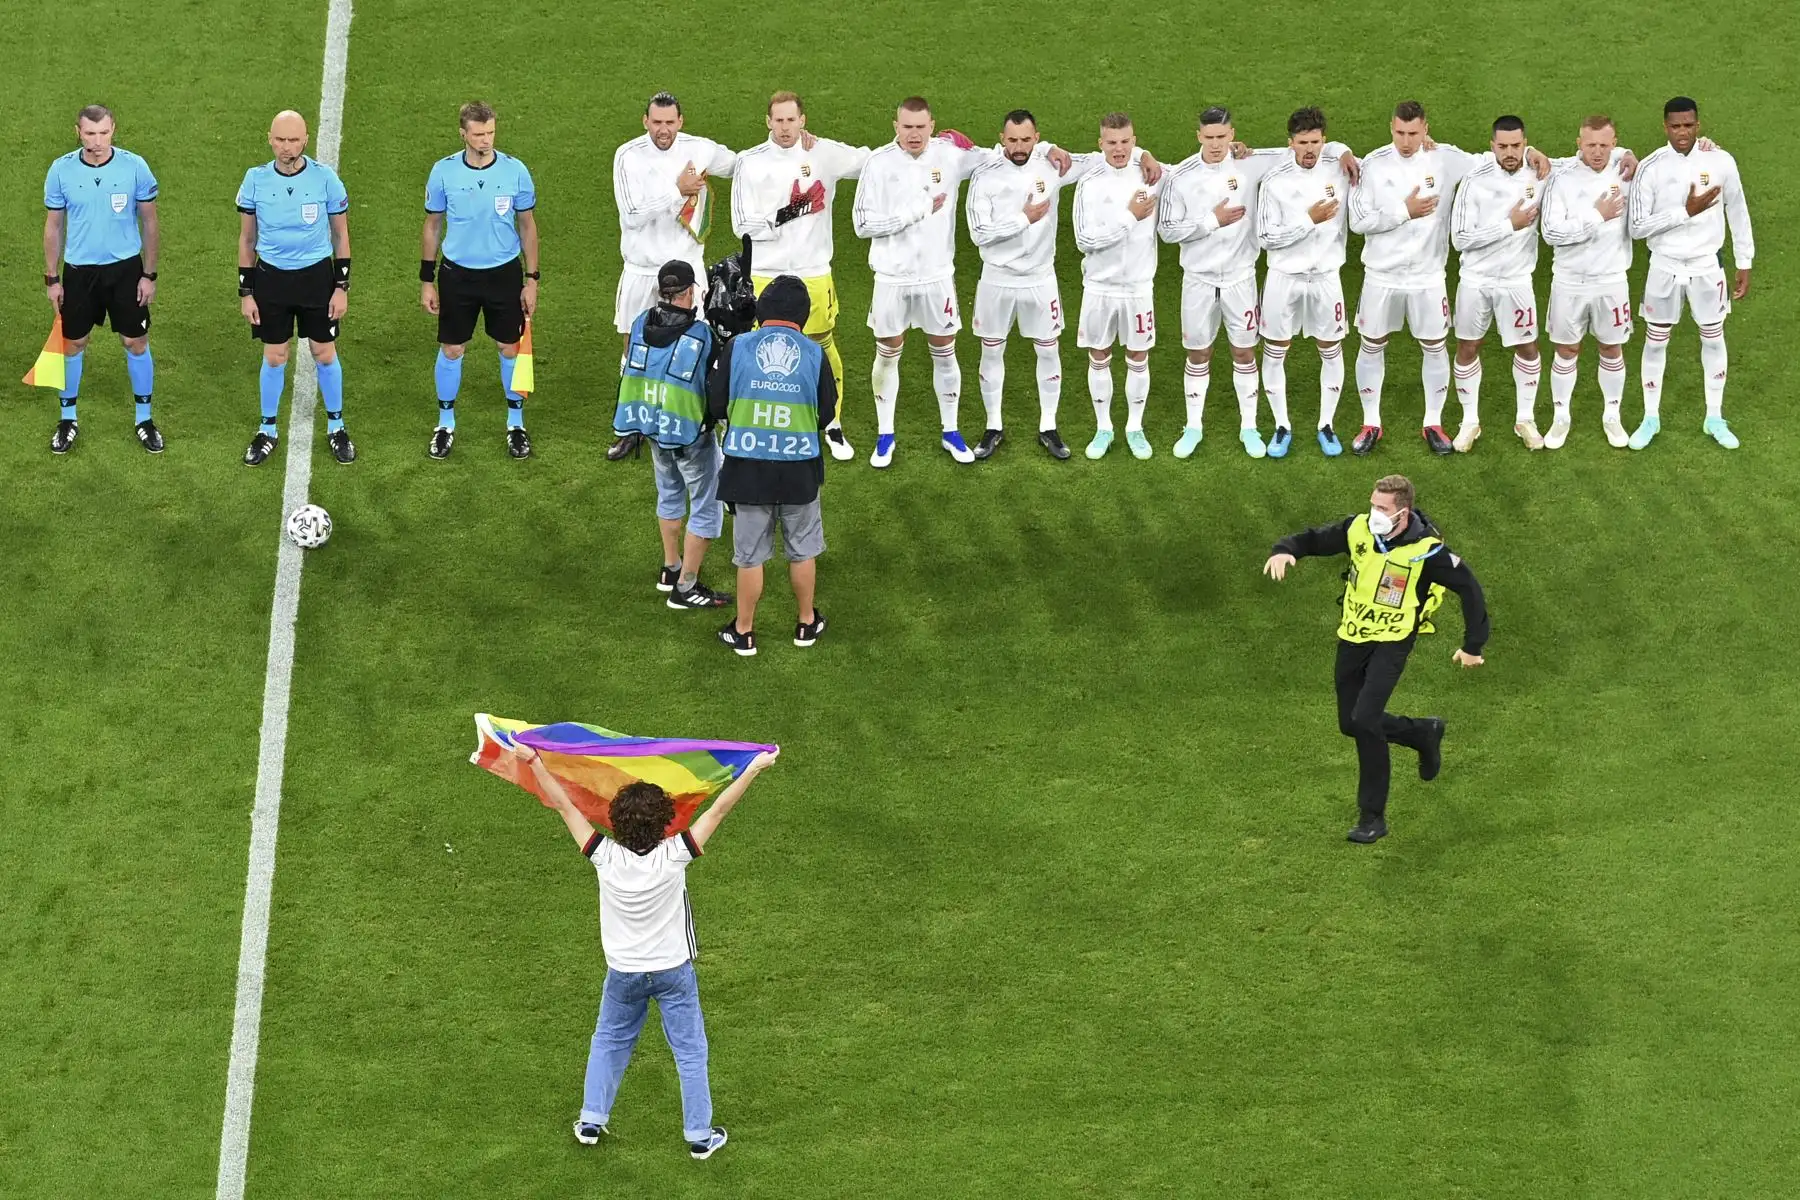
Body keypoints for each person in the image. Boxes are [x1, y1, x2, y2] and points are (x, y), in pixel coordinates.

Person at [509, 738, 779, 1160]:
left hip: (623, 974)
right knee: (690, 1053)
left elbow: (564, 805)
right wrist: (755, 769)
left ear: (615, 821)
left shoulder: (603, 856)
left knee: (608, 1042)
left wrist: (535, 762)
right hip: (674, 972)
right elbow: (720, 809)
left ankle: (591, 1122)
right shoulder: (676, 854)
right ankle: (699, 1136)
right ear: (664, 822)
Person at [1262, 474, 1488, 843]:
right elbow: (1316, 538)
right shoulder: (1359, 530)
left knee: (1365, 720)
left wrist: (1473, 645)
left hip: (1393, 641)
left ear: (1403, 514)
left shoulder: (1426, 552)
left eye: (1382, 509)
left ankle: (1372, 817)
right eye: (1372, 505)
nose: (1374, 514)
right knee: (1349, 723)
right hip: (1352, 636)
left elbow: (1470, 589)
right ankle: (1421, 733)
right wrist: (1285, 549)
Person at [851, 96, 1071, 467]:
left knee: (945, 350)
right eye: (907, 127)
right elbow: (861, 224)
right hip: (892, 277)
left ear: (932, 126)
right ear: (896, 126)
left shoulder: (952, 155)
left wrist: (1046, 147)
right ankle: (885, 435)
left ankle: (951, 432)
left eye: (921, 127)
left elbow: (1005, 154)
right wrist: (915, 212)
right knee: (888, 351)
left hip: (937, 276)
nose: (914, 134)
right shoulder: (878, 163)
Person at [1349, 100, 1549, 456]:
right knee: (1372, 342)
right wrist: (1403, 211)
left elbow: (1496, 159)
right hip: (1381, 274)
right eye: (1399, 133)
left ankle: (1433, 422)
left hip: (1428, 275)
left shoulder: (1446, 158)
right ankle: (1371, 423)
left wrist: (1531, 151)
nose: (1406, 141)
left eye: (1413, 133)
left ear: (1426, 129)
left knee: (1435, 345)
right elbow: (1358, 221)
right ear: (1390, 128)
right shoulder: (1374, 164)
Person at [1158, 106, 1353, 458]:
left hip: (1241, 278)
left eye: (1223, 136)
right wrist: (1210, 221)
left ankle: (1250, 427)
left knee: (1245, 352)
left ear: (1233, 135)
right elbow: (1167, 230)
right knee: (1198, 352)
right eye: (1210, 137)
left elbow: (1311, 149)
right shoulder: (1181, 175)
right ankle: (1193, 427)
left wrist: (1342, 150)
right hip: (1198, 280)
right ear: (1198, 135)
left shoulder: (1253, 162)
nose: (1217, 144)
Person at [967, 109, 1156, 459]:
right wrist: (1023, 219)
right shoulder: (985, 174)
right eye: (1013, 140)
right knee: (991, 349)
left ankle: (1048, 427)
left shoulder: (1053, 165)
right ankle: (993, 426)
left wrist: (1144, 153)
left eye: (1027, 139)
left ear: (1037, 137)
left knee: (1048, 349)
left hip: (1040, 278)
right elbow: (978, 233)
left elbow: (1109, 155)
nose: (1019, 146)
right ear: (1001, 139)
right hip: (997, 278)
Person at [730, 91, 867, 461]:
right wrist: (791, 211)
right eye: (778, 120)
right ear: (768, 122)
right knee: (758, 351)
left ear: (803, 120)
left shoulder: (823, 152)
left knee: (822, 342)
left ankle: (832, 424)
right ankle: (755, 422)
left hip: (812, 270)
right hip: (764, 272)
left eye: (792, 120)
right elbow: (741, 224)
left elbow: (873, 162)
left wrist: (937, 148)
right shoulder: (749, 162)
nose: (785, 127)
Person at [706, 276, 836, 656]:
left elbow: (715, 405)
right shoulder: (814, 354)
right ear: (803, 315)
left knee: (749, 556)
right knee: (802, 550)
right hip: (799, 469)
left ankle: (744, 631)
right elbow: (826, 414)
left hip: (746, 468)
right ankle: (805, 622)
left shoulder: (738, 347)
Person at [610, 92, 738, 461]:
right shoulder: (628, 155)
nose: (663, 130)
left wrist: (793, 148)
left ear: (681, 121)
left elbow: (740, 165)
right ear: (645, 121)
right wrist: (676, 191)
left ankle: (695, 423)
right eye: (656, 122)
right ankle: (632, 427)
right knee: (633, 348)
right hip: (643, 269)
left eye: (669, 122)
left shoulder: (700, 148)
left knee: (697, 347)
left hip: (686, 270)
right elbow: (632, 213)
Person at [1627, 96, 1754, 450]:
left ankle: (1715, 416)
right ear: (1665, 126)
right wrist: (1685, 212)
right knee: (1655, 341)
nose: (1682, 132)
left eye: (1688, 125)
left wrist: (1744, 261)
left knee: (1713, 337)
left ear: (1698, 125)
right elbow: (1637, 228)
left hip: (1705, 265)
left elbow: (1738, 210)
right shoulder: (1650, 167)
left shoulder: (1721, 161)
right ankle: (1650, 417)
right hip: (1664, 266)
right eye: (1675, 125)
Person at [420, 101, 539, 460]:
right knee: (453, 348)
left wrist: (531, 279)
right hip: (457, 275)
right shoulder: (443, 173)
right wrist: (427, 280)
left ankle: (515, 424)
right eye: (478, 134)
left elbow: (528, 226)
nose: (485, 140)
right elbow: (432, 226)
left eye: (490, 133)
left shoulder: (516, 171)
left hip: (504, 273)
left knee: (509, 347)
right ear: (463, 134)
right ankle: (445, 423)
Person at [42, 104, 162, 454]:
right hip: (79, 273)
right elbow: (54, 225)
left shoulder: (134, 166)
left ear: (114, 129)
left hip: (126, 271)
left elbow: (150, 223)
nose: (97, 141)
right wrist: (52, 278)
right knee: (73, 344)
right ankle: (68, 420)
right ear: (77, 132)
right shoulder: (61, 170)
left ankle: (144, 419)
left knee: (135, 342)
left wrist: (149, 274)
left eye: (103, 132)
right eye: (90, 133)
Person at [237, 110, 354, 466]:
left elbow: (340, 234)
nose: (287, 147)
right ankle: (268, 428)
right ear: (270, 139)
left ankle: (337, 426)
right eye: (280, 140)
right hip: (271, 279)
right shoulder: (254, 180)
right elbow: (246, 239)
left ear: (305, 140)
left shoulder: (325, 179)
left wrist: (341, 287)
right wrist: (247, 292)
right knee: (275, 355)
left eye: (294, 140)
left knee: (324, 352)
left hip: (317, 279)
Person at [614, 259, 733, 610]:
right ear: (691, 291)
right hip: (689, 434)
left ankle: (670, 568)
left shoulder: (639, 324)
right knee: (707, 507)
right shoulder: (699, 335)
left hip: (652, 427)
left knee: (668, 494)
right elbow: (719, 379)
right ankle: (686, 586)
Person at [1255, 107, 1354, 459]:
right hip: (1285, 277)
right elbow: (1265, 236)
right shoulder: (1275, 180)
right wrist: (1308, 220)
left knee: (1331, 348)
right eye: (1302, 143)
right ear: (1290, 143)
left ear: (1323, 141)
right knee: (1276, 350)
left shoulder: (1340, 170)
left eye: (1315, 142)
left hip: (1327, 276)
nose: (1309, 149)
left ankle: (1326, 424)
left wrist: (1341, 150)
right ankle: (1282, 425)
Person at [1449, 115, 1549, 450]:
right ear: (1492, 145)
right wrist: (1510, 224)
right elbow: (1460, 238)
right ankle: (1469, 422)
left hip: (1517, 281)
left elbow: (1589, 156)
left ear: (1525, 143)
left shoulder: (1540, 173)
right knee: (1468, 346)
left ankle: (1526, 418)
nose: (1509, 152)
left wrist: (1627, 156)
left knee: (1527, 346)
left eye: (1517, 145)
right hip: (1475, 280)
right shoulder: (1474, 180)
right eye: (1503, 146)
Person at [1539, 115, 1638, 450]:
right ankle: (1561, 416)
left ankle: (1612, 415)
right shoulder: (1561, 179)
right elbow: (1551, 233)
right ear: (1578, 143)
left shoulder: (1626, 173)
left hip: (1612, 280)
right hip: (1569, 281)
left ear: (1615, 143)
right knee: (1567, 350)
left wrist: (1629, 153)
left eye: (1605, 145)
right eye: (1591, 144)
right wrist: (1596, 216)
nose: (1598, 152)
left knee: (1611, 348)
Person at [1072, 112, 1163, 460]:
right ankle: (1104, 428)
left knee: (1138, 357)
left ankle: (1134, 428)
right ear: (1101, 145)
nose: (1119, 149)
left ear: (1134, 141)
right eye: (1112, 143)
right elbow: (1084, 240)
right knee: (1099, 357)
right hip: (1099, 287)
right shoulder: (1090, 183)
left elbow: (1193, 165)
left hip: (1139, 287)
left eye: (1126, 142)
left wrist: (1147, 156)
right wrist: (1130, 217)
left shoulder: (1153, 175)